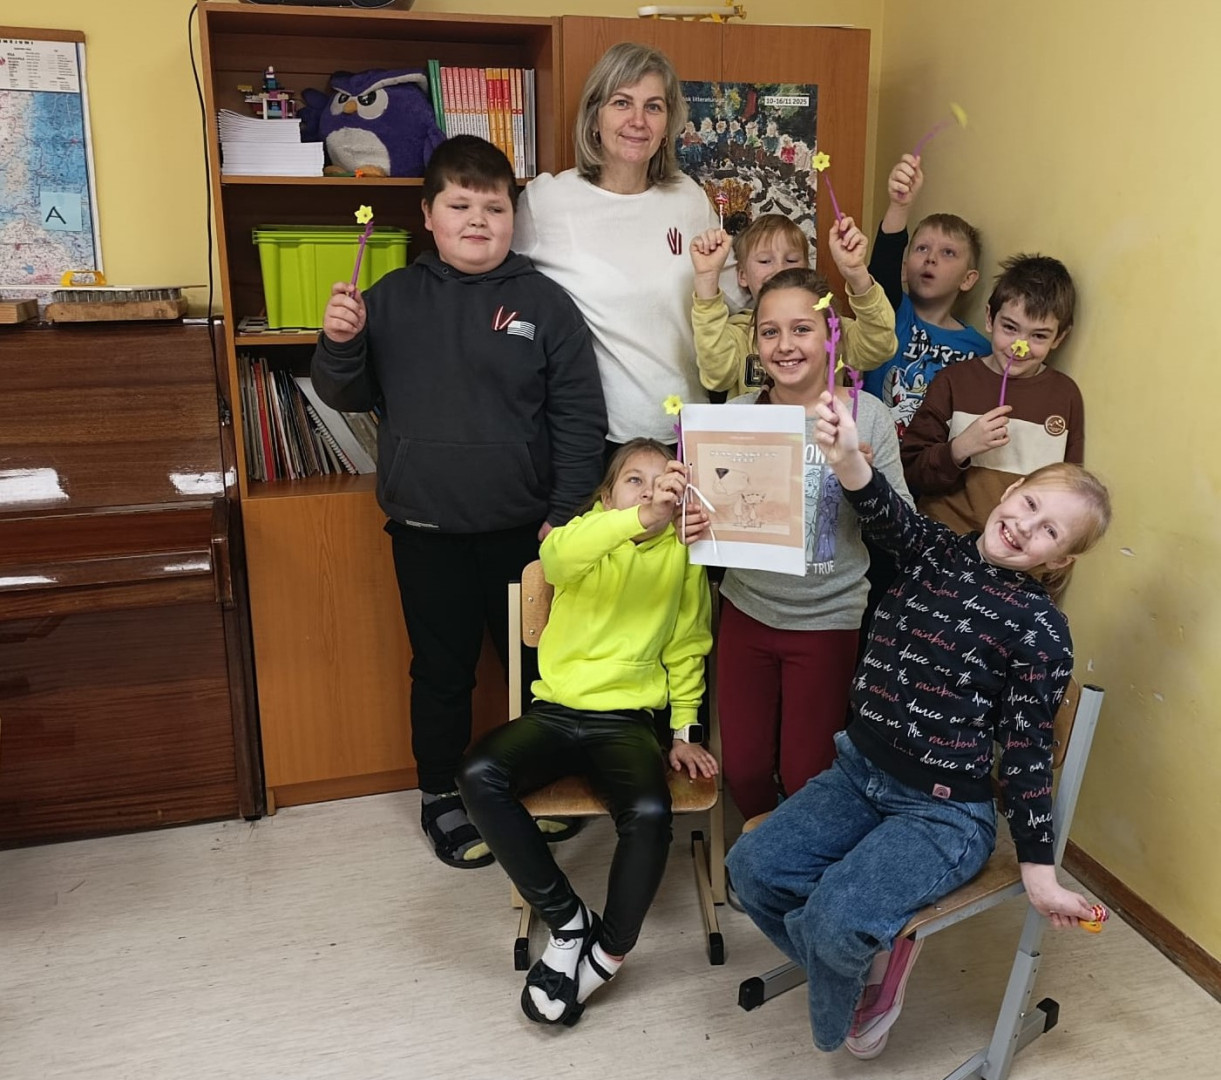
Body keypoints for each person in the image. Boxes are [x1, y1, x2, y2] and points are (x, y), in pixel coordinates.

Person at [725, 388, 1112, 1060]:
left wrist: (1039, 870)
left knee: (836, 917)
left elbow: (1026, 756)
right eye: (1028, 505)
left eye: (1050, 531)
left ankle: (857, 969)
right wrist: (847, 455)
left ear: (1059, 561)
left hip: (943, 813)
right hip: (857, 774)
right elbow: (882, 510)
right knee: (752, 869)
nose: (1026, 526)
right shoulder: (935, 551)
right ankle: (867, 953)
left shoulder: (1042, 631)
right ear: (1009, 491)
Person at [311, 135, 607, 870]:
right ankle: (440, 792)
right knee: (442, 674)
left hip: (527, 532)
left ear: (513, 216)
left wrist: (566, 511)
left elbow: (578, 416)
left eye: (494, 207)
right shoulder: (389, 298)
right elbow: (345, 393)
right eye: (460, 205)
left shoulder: (545, 303)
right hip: (425, 531)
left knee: (537, 672)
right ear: (428, 215)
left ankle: (533, 785)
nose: (478, 220)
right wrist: (339, 342)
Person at [457, 441, 714, 1027]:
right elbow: (557, 559)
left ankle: (611, 950)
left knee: (650, 812)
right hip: (555, 712)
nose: (649, 491)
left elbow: (687, 644)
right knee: (477, 773)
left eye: (662, 481)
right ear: (607, 494)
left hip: (626, 721)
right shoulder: (584, 536)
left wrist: (684, 729)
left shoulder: (683, 553)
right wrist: (637, 519)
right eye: (633, 480)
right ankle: (568, 919)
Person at [684, 267, 911, 822]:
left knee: (807, 769)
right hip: (747, 611)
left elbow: (904, 532)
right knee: (744, 770)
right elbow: (707, 514)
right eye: (769, 332)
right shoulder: (735, 417)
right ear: (755, 342)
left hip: (828, 619)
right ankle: (766, 847)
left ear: (832, 334)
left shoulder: (867, 417)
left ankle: (791, 850)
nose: (784, 345)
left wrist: (861, 475)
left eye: (801, 329)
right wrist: (688, 521)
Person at [513, 42, 746, 454]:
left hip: (685, 431)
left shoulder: (687, 197)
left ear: (668, 124)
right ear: (594, 116)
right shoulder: (546, 201)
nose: (638, 121)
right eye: (622, 103)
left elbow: (732, 299)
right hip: (593, 441)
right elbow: (501, 294)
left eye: (653, 107)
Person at [901, 253, 1084, 539]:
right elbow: (911, 470)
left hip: (1017, 549)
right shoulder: (953, 381)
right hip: (943, 539)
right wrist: (960, 448)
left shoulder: (1065, 395)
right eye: (1009, 328)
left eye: (1039, 336)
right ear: (989, 318)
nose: (1020, 346)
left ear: (1059, 337)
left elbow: (1069, 494)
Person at [690, 213, 897, 400]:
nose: (780, 269)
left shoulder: (830, 325)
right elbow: (716, 376)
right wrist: (707, 278)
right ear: (742, 275)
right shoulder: (738, 334)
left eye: (791, 260)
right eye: (765, 261)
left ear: (806, 268)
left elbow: (878, 348)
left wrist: (857, 274)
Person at [863, 153, 991, 440]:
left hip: (935, 460)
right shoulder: (893, 312)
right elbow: (882, 267)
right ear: (904, 268)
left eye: (948, 253)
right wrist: (900, 206)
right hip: (876, 452)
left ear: (968, 279)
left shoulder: (980, 350)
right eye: (922, 248)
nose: (931, 258)